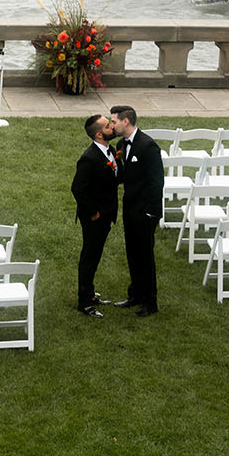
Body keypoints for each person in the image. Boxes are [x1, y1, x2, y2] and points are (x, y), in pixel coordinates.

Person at [110, 104, 162, 317]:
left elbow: (156, 181)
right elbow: (123, 175)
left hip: (145, 212)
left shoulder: (148, 146)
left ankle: (150, 302)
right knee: (132, 252)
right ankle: (135, 295)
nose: (112, 125)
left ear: (126, 121)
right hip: (130, 209)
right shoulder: (122, 143)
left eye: (114, 121)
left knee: (145, 256)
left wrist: (151, 212)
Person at [71, 114, 118, 317]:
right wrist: (94, 213)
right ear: (99, 134)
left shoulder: (111, 151)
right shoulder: (89, 158)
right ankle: (84, 301)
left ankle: (90, 294)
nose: (112, 127)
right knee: (89, 257)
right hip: (94, 218)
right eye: (109, 126)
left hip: (106, 213)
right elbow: (77, 189)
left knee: (95, 254)